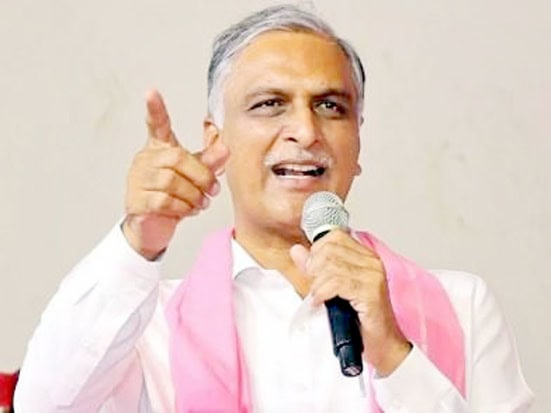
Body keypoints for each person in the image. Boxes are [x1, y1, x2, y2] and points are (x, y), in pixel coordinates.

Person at [15, 4, 533, 412]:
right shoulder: (148, 326)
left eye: (330, 106)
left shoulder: (462, 306)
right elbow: (42, 404)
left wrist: (395, 354)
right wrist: (139, 239)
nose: (306, 132)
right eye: (269, 104)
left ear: (357, 144)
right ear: (215, 140)